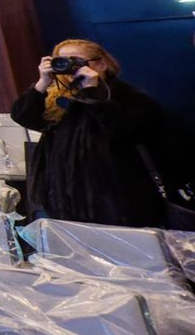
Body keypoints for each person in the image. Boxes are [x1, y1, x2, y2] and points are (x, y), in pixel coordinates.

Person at [11, 38, 184, 227]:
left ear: (102, 64)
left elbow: (123, 131)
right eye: (62, 61)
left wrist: (93, 93)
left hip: (120, 204)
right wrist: (42, 83)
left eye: (77, 61)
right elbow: (23, 117)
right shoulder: (58, 100)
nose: (70, 68)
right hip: (65, 204)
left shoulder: (127, 97)